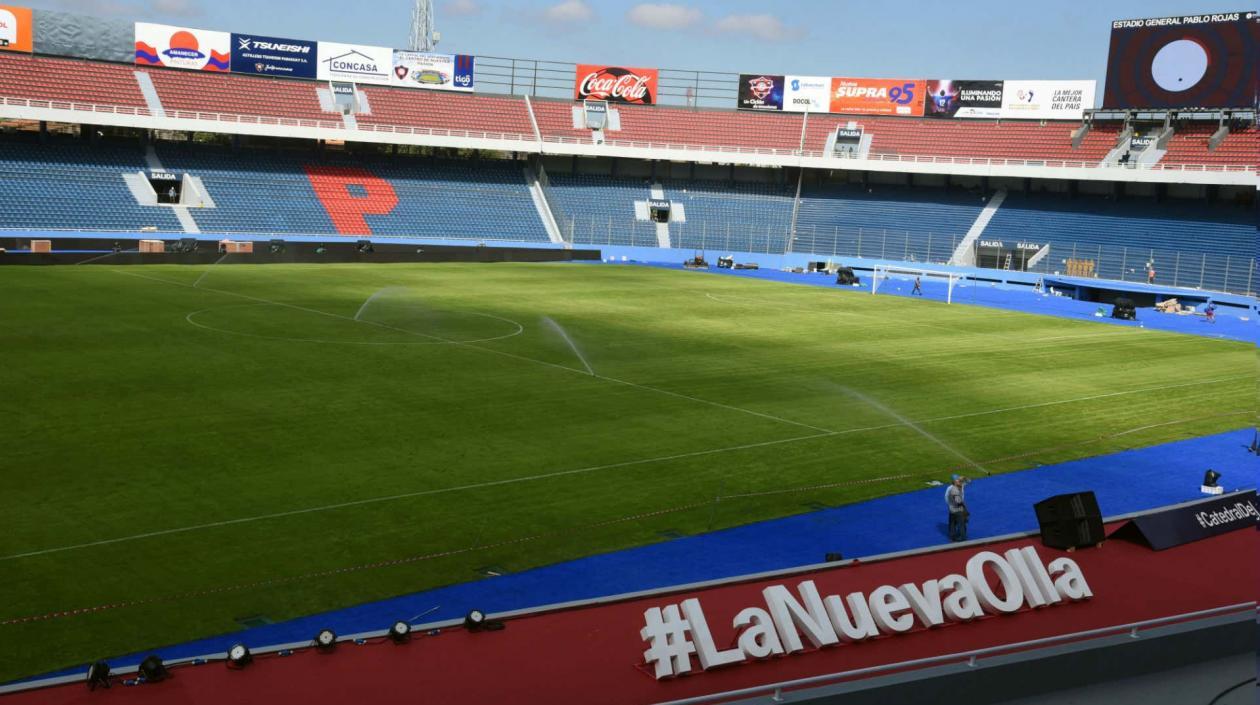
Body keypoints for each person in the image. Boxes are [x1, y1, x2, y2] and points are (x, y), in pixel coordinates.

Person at [946, 474, 968, 541]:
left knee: (952, 524)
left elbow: (969, 481)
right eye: (958, 480)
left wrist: (965, 477)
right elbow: (958, 501)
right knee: (961, 524)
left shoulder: (960, 485)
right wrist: (963, 505)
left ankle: (953, 537)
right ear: (954, 481)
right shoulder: (953, 489)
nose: (960, 481)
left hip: (952, 509)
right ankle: (962, 538)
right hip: (957, 509)